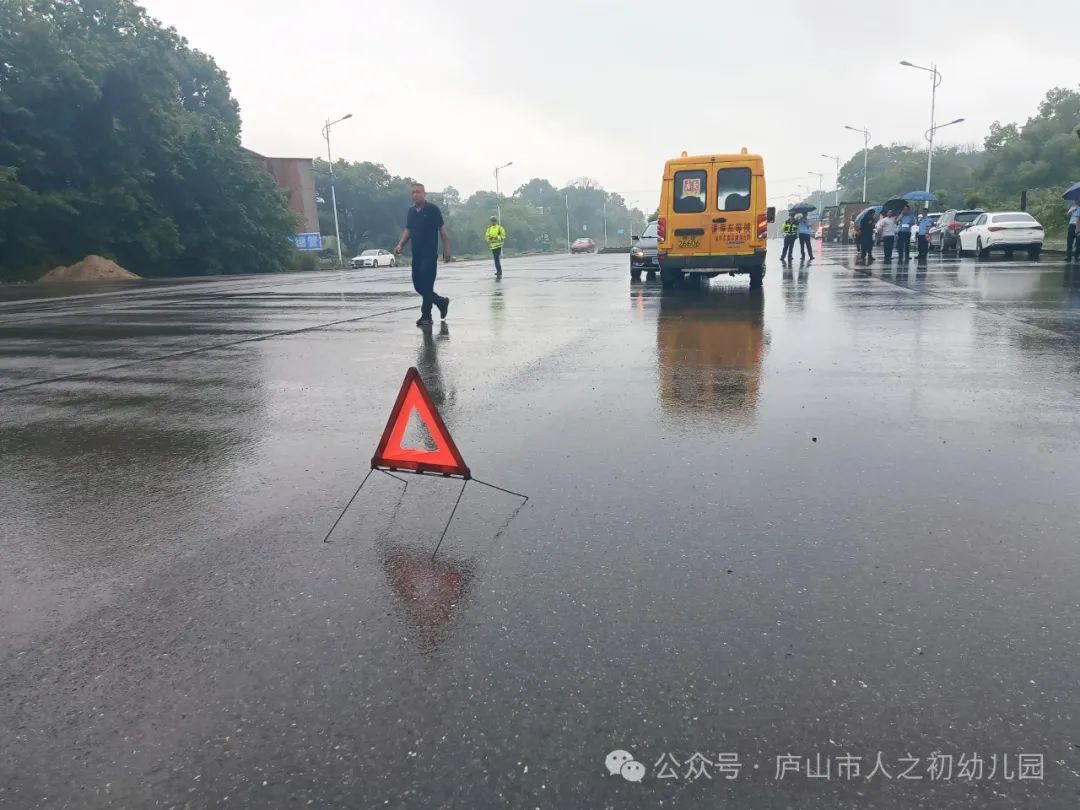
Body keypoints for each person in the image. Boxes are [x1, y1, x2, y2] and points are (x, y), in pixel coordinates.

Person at [395, 183, 451, 327]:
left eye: (418, 192)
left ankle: (426, 316)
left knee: (426, 284)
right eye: (413, 192)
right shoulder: (411, 212)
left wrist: (446, 249)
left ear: (424, 194)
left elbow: (442, 230)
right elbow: (408, 229)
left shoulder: (433, 209)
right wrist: (401, 244)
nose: (415, 194)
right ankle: (441, 302)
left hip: (429, 254)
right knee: (418, 286)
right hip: (417, 255)